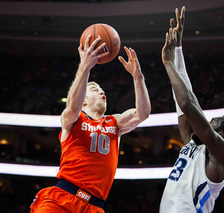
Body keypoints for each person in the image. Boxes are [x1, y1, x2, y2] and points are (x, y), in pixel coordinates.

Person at [30, 34, 151, 213]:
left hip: (94, 207)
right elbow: (72, 105)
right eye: (95, 90)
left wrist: (137, 77)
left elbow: (143, 113)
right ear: (84, 100)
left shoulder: (114, 123)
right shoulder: (73, 119)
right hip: (61, 199)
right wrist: (85, 66)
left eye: (103, 91)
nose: (102, 93)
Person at [160, 6, 224, 213]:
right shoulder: (194, 145)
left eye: (213, 121)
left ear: (221, 135)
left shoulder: (222, 155)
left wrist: (168, 64)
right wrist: (177, 50)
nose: (208, 120)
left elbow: (189, 105)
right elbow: (184, 104)